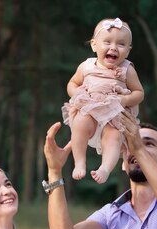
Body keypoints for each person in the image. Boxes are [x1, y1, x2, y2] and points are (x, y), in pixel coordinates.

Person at [62, 17, 144, 185]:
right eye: (107, 42)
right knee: (79, 123)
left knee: (113, 136)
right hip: (90, 110)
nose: (113, 47)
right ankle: (79, 162)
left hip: (114, 115)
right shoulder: (86, 66)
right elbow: (72, 83)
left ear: (128, 51)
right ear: (94, 45)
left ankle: (105, 168)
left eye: (121, 44)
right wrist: (76, 92)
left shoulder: (127, 69)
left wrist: (126, 99)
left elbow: (139, 93)